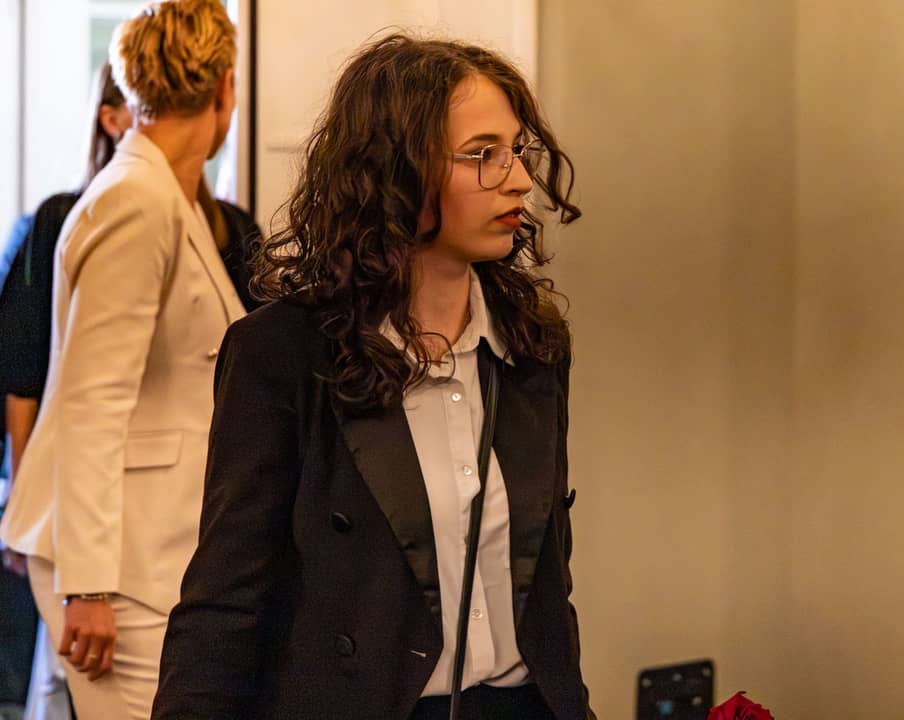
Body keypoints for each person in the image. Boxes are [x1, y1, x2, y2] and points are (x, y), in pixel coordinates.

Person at [151, 33, 596, 720]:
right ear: (398, 169)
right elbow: (226, 602)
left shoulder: (533, 345)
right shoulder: (283, 354)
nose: (517, 180)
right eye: (482, 154)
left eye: (517, 151)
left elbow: (549, 592)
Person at [0, 1, 247, 717]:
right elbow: (92, 400)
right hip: (117, 570)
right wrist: (87, 585)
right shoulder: (138, 200)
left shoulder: (164, 197)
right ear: (225, 87)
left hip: (148, 548)